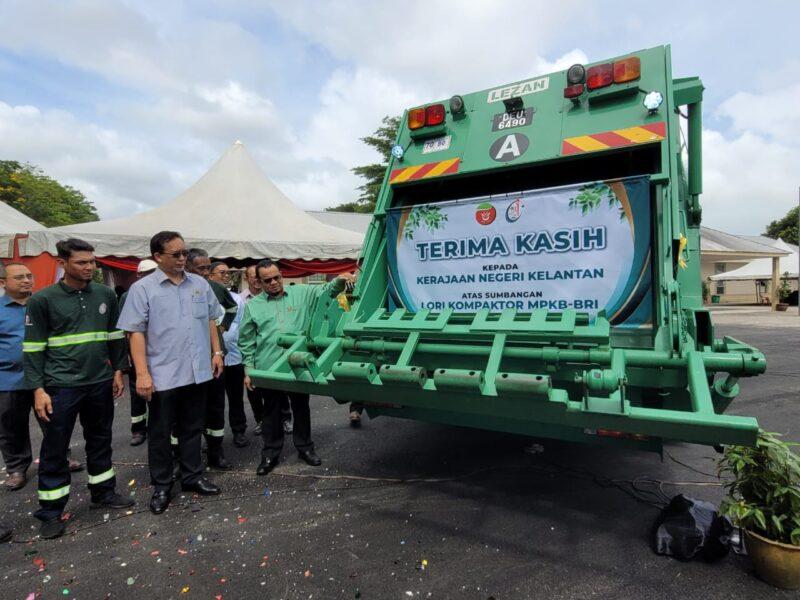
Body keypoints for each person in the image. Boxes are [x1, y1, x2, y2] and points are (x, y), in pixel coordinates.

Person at [24, 239, 134, 539]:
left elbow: (114, 335)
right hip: (60, 386)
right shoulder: (42, 300)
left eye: (92, 262)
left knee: (100, 439)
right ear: (63, 264)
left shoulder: (105, 294)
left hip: (99, 381)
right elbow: (32, 348)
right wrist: (37, 389)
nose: (89, 267)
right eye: (81, 262)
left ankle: (104, 493)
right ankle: (50, 511)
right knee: (55, 447)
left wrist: (117, 371)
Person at [117, 231, 224, 515]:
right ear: (157, 257)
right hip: (163, 374)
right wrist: (142, 374)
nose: (182, 259)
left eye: (184, 253)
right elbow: (135, 333)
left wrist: (216, 352)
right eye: (175, 254)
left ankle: (192, 476)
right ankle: (162, 484)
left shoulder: (200, 284)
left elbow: (212, 319)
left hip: (197, 371)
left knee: (192, 428)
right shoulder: (143, 290)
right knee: (161, 433)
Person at [238, 259, 355, 476]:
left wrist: (339, 280)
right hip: (269, 366)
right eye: (267, 280)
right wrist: (249, 369)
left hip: (296, 363)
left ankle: (305, 448)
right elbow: (246, 340)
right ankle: (270, 454)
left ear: (281, 275)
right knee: (271, 413)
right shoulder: (253, 307)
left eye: (277, 278)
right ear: (259, 283)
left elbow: (325, 290)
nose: (274, 283)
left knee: (301, 408)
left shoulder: (301, 293)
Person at [1, 263, 82, 492]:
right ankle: (17, 468)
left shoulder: (44, 303)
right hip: (9, 378)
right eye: (19, 277)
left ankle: (60, 457)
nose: (26, 280)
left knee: (53, 420)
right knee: (11, 426)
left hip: (47, 376)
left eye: (29, 276)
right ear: (3, 283)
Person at [185, 248, 238, 469]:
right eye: (201, 268)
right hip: (189, 359)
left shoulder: (215, 288)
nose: (206, 272)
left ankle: (216, 452)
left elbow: (232, 308)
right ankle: (184, 458)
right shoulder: (181, 290)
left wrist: (222, 328)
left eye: (208, 268)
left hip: (215, 357)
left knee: (216, 407)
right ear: (188, 267)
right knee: (189, 411)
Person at [209, 262, 248, 447]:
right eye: (222, 273)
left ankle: (239, 431)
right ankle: (212, 438)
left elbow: (240, 325)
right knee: (213, 402)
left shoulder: (236, 299)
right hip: (214, 359)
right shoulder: (206, 298)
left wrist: (222, 330)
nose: (226, 276)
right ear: (210, 276)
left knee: (236, 399)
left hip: (234, 356)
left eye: (228, 273)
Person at [119, 259, 157, 446]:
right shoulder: (130, 295)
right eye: (147, 273)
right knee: (137, 393)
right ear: (139, 275)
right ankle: (138, 429)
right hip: (137, 353)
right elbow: (126, 329)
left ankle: (156, 426)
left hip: (158, 353)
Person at [240, 265, 265, 435]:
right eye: (252, 276)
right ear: (246, 278)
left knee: (278, 390)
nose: (256, 279)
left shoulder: (269, 298)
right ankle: (261, 420)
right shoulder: (240, 300)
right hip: (250, 350)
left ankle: (285, 419)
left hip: (267, 350)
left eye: (258, 276)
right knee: (253, 389)